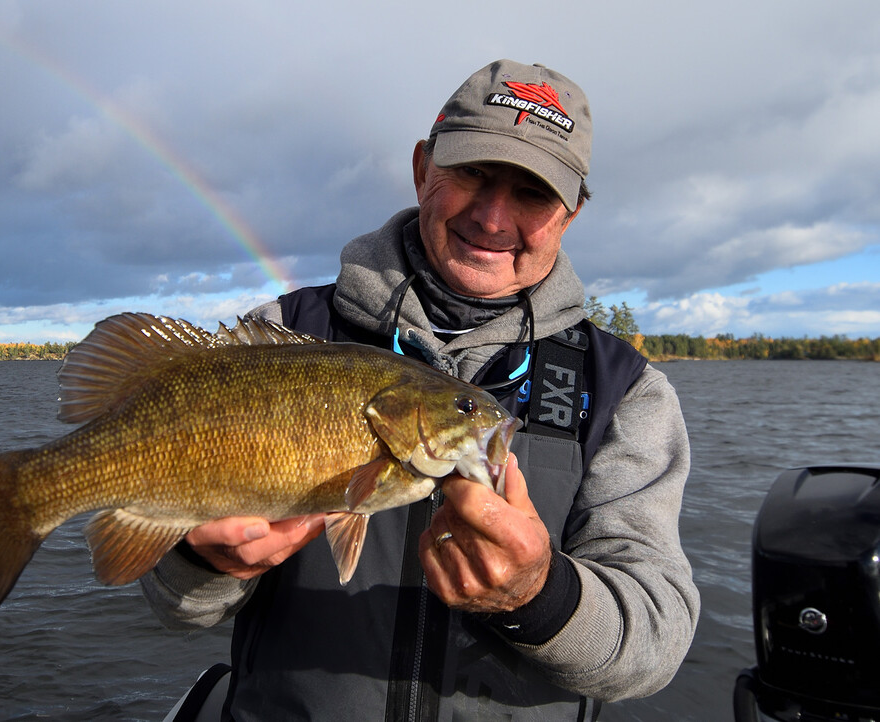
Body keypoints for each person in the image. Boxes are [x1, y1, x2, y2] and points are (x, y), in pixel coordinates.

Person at [142, 59, 699, 721]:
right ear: (421, 169)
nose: (493, 216)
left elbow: (655, 644)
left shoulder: (624, 393)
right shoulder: (280, 336)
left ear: (568, 215)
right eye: (473, 174)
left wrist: (540, 592)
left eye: (531, 193)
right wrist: (202, 561)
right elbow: (177, 610)